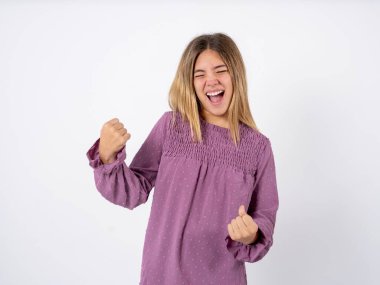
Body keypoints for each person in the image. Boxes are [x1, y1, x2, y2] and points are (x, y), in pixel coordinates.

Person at [86, 32, 279, 285]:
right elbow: (133, 191)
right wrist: (107, 155)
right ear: (190, 82)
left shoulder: (258, 148)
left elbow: (264, 215)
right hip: (164, 276)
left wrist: (251, 235)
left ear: (236, 76)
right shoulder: (172, 127)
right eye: (200, 74)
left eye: (220, 70)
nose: (211, 81)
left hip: (222, 278)